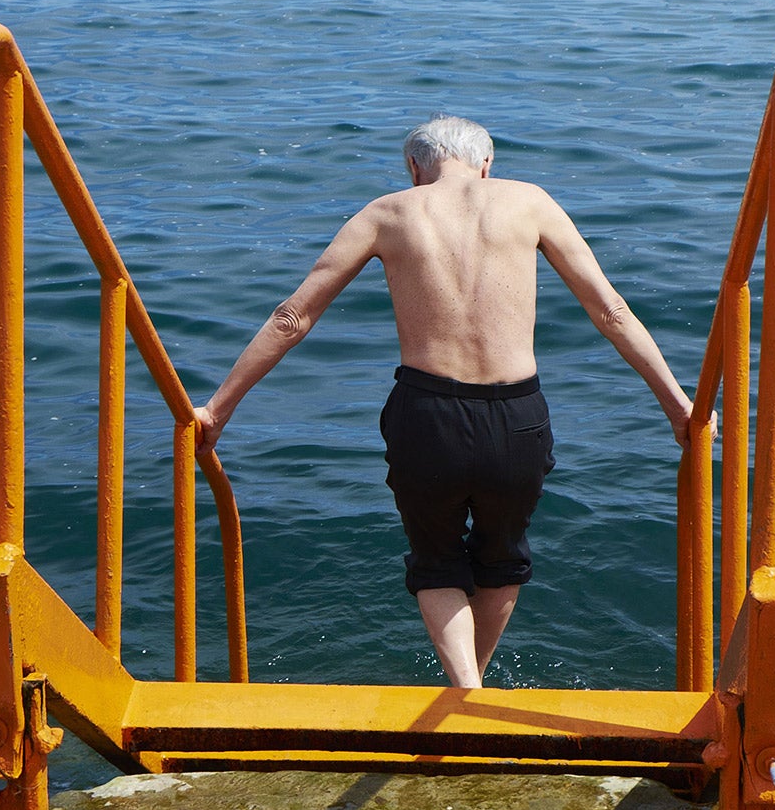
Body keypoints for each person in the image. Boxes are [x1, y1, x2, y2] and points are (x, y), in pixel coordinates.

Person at [193, 115, 700, 689]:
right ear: (487, 165)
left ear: (415, 167)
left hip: (427, 414)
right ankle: (472, 699)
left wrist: (219, 408)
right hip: (517, 416)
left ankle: (467, 693)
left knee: (436, 559)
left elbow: (293, 317)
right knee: (502, 557)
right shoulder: (530, 202)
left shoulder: (387, 213)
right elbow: (611, 312)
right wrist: (678, 407)